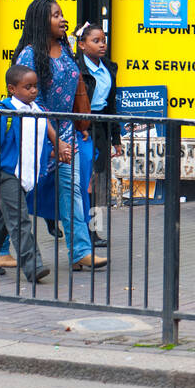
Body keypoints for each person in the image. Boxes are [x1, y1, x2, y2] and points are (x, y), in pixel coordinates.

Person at [15, 0, 107, 271]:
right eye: (56, 15)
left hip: (66, 131)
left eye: (62, 14)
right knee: (19, 193)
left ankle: (80, 251)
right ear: (42, 20)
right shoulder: (29, 56)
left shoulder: (65, 50)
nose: (63, 19)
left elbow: (77, 86)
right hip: (40, 134)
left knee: (72, 191)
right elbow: (32, 101)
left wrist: (80, 125)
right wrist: (54, 139)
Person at [0, 64, 59, 283]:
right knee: (19, 220)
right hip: (6, 172)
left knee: (3, 218)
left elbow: (39, 139)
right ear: (12, 88)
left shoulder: (36, 110)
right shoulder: (5, 111)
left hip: (26, 173)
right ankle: (33, 265)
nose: (33, 91)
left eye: (35, 86)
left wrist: (53, 150)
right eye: (27, 87)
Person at [74, 22, 121, 249]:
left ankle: (93, 233)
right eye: (96, 41)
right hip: (81, 127)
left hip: (101, 125)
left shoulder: (109, 68)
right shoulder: (76, 69)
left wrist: (116, 139)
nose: (102, 44)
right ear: (82, 45)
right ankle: (78, 230)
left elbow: (112, 105)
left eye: (103, 40)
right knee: (83, 182)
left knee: (95, 182)